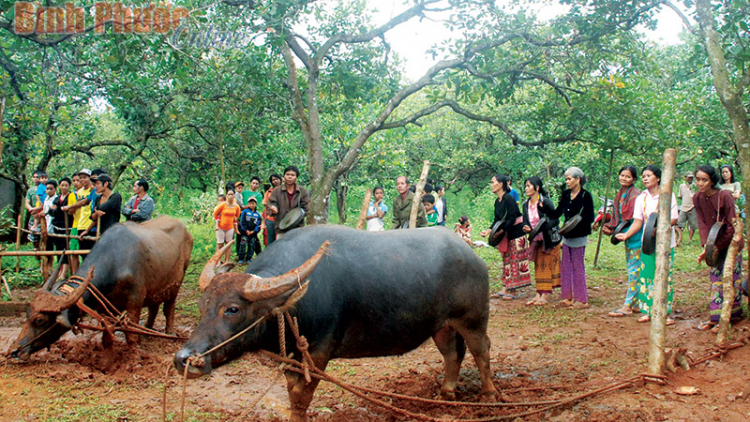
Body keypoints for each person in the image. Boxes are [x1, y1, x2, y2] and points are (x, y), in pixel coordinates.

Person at [615, 165, 678, 325]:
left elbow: (674, 218)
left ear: (658, 178)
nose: (645, 178)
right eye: (643, 176)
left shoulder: (667, 195)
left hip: (664, 241)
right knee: (647, 275)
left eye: (648, 175)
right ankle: (648, 311)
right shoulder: (641, 197)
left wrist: (659, 227)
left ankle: (665, 313)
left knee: (664, 276)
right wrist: (626, 235)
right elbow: (638, 221)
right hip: (647, 242)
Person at [692, 165, 744, 330]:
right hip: (713, 244)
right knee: (716, 280)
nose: (700, 183)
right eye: (698, 179)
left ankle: (730, 316)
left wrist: (718, 246)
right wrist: (706, 247)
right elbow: (703, 224)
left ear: (712, 180)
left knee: (730, 278)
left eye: (704, 180)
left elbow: (731, 225)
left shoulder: (725, 195)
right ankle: (716, 317)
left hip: (731, 243)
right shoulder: (697, 198)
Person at [544, 167, 595, 309]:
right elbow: (557, 213)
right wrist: (544, 208)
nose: (567, 182)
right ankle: (567, 297)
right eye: (566, 179)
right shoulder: (566, 195)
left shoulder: (586, 196)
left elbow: (590, 217)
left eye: (569, 179)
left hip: (579, 235)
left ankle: (581, 300)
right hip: (567, 235)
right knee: (566, 266)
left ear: (577, 179)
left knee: (577, 266)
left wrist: (576, 224)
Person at [480, 174, 531, 300]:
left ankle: (512, 290)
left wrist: (501, 231)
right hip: (507, 233)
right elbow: (497, 219)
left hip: (516, 233)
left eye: (493, 182)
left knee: (514, 260)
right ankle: (505, 287)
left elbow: (512, 217)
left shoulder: (509, 199)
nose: (491, 185)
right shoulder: (498, 202)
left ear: (501, 184)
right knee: (507, 260)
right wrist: (489, 230)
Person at [604, 166, 643, 317]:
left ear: (634, 179)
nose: (624, 178)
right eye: (622, 175)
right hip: (626, 236)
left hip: (637, 236)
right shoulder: (620, 194)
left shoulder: (636, 196)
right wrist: (611, 228)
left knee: (634, 271)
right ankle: (636, 304)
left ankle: (627, 305)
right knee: (633, 269)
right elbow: (618, 219)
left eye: (628, 177)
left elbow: (635, 219)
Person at [521, 177, 562, 306]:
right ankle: (538, 293)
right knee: (539, 266)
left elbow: (555, 220)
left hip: (548, 238)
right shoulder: (525, 204)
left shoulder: (545, 202)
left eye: (529, 186)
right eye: (525, 186)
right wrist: (527, 228)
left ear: (537, 187)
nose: (526, 188)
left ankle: (545, 294)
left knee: (547, 265)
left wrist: (542, 227)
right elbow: (526, 221)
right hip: (536, 240)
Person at [268, 165, 309, 238]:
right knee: (282, 248)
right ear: (283, 177)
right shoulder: (276, 191)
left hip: (298, 228)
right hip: (281, 227)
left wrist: (297, 216)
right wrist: (273, 209)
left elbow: (306, 208)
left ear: (296, 177)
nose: (290, 177)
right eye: (287, 174)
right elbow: (271, 203)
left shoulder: (302, 191)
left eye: (292, 175)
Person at [80, 174, 121, 245]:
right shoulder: (98, 198)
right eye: (95, 184)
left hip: (113, 233)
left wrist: (97, 210)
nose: (95, 186)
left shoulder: (116, 197)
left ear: (105, 184)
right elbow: (93, 217)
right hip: (101, 233)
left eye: (98, 183)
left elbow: (103, 208)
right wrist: (87, 230)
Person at [47, 178, 76, 280]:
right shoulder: (57, 198)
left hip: (66, 227)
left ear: (69, 186)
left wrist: (58, 209)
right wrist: (58, 210)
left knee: (66, 249)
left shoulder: (71, 197)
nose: (64, 187)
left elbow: (68, 210)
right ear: (59, 186)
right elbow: (52, 212)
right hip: (56, 227)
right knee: (58, 249)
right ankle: (59, 270)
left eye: (66, 185)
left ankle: (64, 272)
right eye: (62, 185)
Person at [65, 169, 95, 250]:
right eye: (80, 178)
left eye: (84, 177)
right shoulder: (79, 192)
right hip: (80, 224)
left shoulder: (94, 191)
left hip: (90, 223)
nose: (82, 180)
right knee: (81, 250)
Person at [213, 190, 241, 264]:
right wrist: (218, 222)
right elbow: (215, 213)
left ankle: (226, 260)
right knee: (220, 244)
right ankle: (217, 260)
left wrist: (234, 222)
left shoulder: (236, 206)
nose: (230, 196)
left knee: (228, 244)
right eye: (229, 194)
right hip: (221, 227)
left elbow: (237, 215)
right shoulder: (223, 205)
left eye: (232, 194)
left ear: (234, 195)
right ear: (226, 196)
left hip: (230, 227)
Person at [236, 197, 262, 264]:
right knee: (243, 244)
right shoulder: (245, 212)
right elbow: (242, 222)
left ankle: (248, 259)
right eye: (250, 203)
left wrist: (254, 231)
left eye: (253, 203)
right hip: (245, 233)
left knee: (252, 245)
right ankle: (241, 259)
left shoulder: (258, 215)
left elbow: (258, 224)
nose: (252, 205)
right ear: (248, 204)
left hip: (253, 234)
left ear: (256, 204)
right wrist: (246, 230)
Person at [677, 171, 698, 243]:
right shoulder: (682, 186)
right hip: (683, 207)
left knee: (692, 224)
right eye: (688, 177)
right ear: (685, 178)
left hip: (692, 207)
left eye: (691, 178)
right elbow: (680, 196)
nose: (690, 179)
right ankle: (679, 239)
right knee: (679, 223)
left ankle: (690, 239)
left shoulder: (695, 186)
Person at [262, 173, 282, 245]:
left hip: (282, 219)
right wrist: (264, 222)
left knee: (281, 240)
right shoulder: (268, 192)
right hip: (270, 219)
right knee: (270, 240)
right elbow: (265, 207)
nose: (275, 181)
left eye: (277, 179)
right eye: (273, 180)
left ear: (280, 180)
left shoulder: (285, 190)